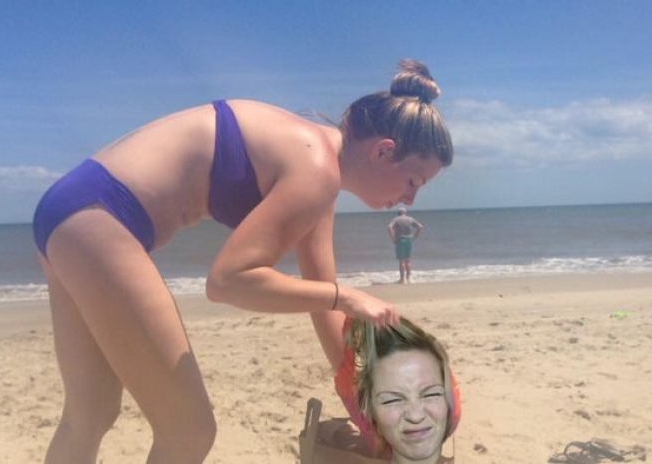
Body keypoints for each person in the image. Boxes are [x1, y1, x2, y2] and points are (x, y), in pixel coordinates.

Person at [32, 58, 453, 463]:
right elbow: (228, 281)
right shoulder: (316, 169)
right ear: (382, 152)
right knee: (189, 430)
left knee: (90, 414)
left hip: (68, 209)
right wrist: (348, 298)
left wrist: (363, 399)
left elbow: (320, 304)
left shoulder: (319, 169)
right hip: (101, 216)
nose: (410, 199)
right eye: (413, 180)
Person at [343, 317, 461, 464]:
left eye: (431, 394)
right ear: (370, 412)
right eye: (393, 400)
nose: (415, 416)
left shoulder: (453, 417)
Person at [387, 207, 424, 284]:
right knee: (408, 260)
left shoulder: (397, 219)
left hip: (400, 240)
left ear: (398, 212)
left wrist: (393, 238)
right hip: (409, 240)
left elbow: (389, 226)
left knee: (402, 261)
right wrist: (415, 236)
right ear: (405, 212)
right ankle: (408, 279)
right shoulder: (410, 219)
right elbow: (420, 227)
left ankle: (402, 279)